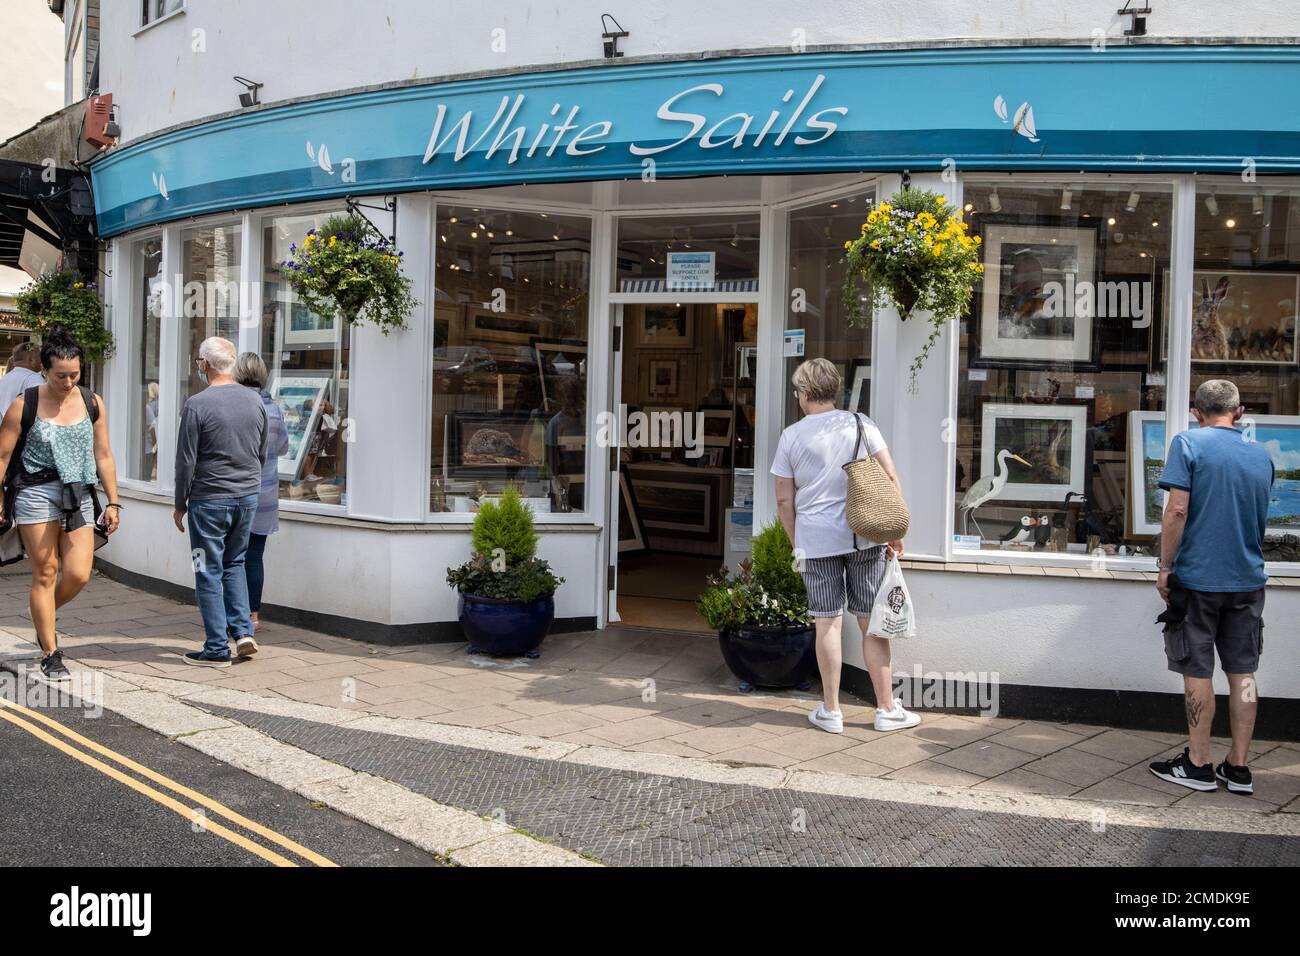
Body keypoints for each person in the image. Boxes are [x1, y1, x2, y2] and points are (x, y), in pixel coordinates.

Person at [771, 358, 918, 735]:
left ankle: (831, 711)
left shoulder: (791, 436)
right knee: (871, 624)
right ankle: (886, 709)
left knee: (827, 623)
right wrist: (894, 531)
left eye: (797, 392)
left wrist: (796, 543)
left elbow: (784, 502)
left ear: (804, 394)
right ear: (833, 390)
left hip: (815, 542)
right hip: (864, 535)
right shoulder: (861, 424)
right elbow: (888, 475)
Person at [1149, 380, 1274, 795]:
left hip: (1199, 581)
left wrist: (1165, 567)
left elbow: (1177, 510)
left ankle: (1198, 765)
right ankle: (1239, 768)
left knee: (1197, 671)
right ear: (1239, 413)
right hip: (1248, 582)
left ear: (1196, 411)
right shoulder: (1261, 456)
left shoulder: (1188, 444)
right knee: (1244, 672)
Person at [0, 328, 120, 680]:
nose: (68, 382)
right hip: (35, 491)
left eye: (74, 374)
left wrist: (113, 502)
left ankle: (43, 615)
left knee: (80, 574)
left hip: (79, 494)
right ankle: (51, 652)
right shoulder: (25, 404)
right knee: (46, 571)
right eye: (60, 375)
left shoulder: (92, 402)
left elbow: (104, 454)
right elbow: (3, 455)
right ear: (44, 371)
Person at [174, 337, 267, 667]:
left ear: (205, 365)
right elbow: (262, 451)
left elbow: (185, 461)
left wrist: (179, 503)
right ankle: (243, 633)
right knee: (235, 562)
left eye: (199, 361)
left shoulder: (197, 404)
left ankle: (215, 648)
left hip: (210, 499)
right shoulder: (254, 401)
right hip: (247, 497)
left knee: (207, 571)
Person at [232, 352, 289, 633]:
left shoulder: (240, 406)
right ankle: (253, 616)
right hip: (266, 495)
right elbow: (283, 448)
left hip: (239, 491)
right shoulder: (274, 408)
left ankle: (235, 617)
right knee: (254, 556)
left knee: (231, 557)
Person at [0, 342, 45, 413]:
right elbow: (45, 407)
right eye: (40, 357)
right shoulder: (33, 378)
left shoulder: (4, 379)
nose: (42, 361)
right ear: (31, 359)